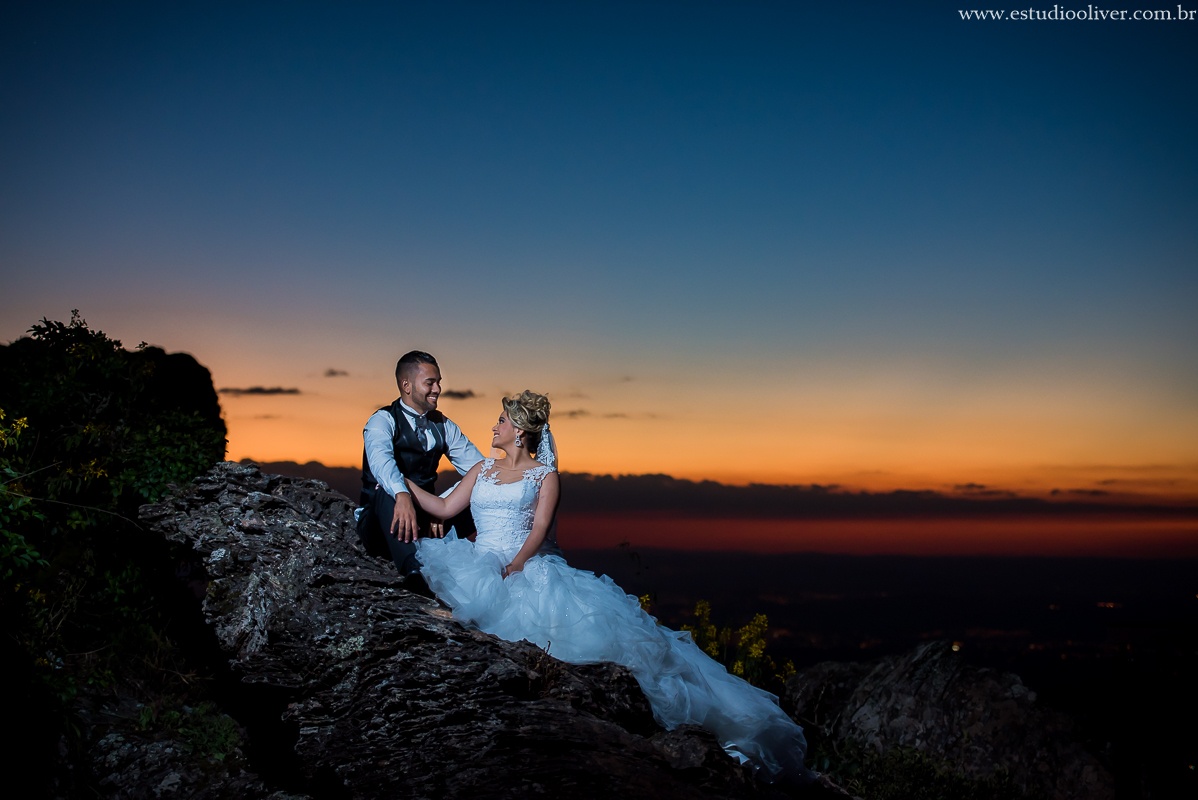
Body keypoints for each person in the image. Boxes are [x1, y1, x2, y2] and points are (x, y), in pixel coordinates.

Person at [404, 390, 812, 786]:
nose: (494, 427)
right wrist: (399, 483)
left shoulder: (545, 477)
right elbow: (444, 507)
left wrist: (515, 565)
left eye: (501, 421)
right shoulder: (482, 470)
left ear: (520, 431)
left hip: (525, 563)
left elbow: (540, 528)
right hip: (480, 559)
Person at [357, 350, 484, 586]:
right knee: (386, 488)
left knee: (482, 490)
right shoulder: (382, 420)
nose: (437, 389)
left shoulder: (443, 424)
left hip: (426, 521)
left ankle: (484, 556)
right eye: (430, 383)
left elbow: (479, 469)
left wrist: (441, 506)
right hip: (382, 524)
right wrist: (402, 494)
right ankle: (414, 571)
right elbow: (381, 463)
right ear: (406, 385)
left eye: (438, 382)